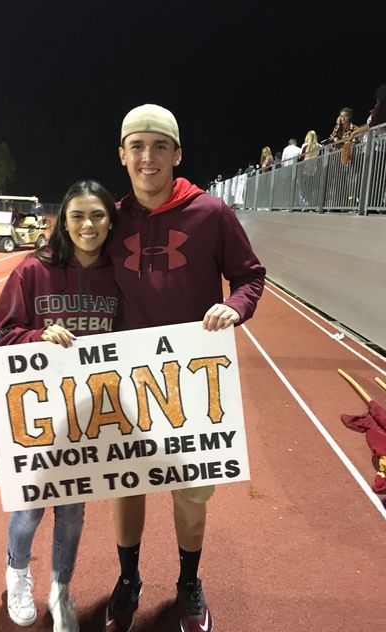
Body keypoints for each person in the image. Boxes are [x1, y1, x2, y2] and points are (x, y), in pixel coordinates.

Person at [106, 103, 266, 632]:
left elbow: (249, 277)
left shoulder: (212, 212)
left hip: (193, 381)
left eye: (159, 146)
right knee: (126, 485)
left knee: (190, 492)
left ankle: (187, 581)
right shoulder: (109, 217)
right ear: (122, 154)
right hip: (125, 379)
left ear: (177, 153)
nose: (147, 157)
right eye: (137, 146)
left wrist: (235, 307)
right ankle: (128, 578)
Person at [0, 180, 119, 632]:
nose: (88, 225)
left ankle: (62, 587)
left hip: (88, 417)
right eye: (78, 215)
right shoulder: (32, 271)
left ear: (110, 221)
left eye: (97, 215)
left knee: (74, 512)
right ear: (63, 220)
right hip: (37, 418)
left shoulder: (118, 274)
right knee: (28, 511)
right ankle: (17, 573)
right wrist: (38, 335)